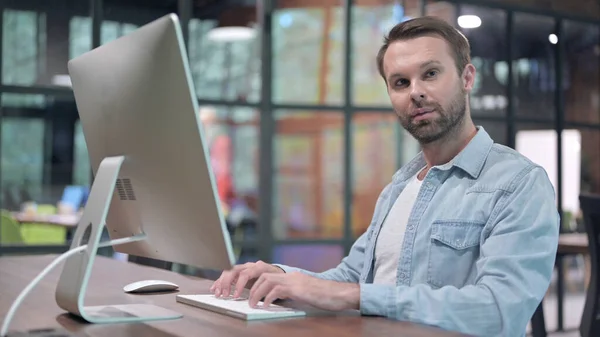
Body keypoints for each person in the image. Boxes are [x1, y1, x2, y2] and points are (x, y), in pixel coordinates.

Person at [209, 16, 559, 336]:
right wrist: (280, 277)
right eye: (400, 82)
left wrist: (354, 296)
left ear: (468, 78)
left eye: (431, 74)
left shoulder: (519, 184)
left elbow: (498, 310)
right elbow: (350, 279)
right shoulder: (400, 186)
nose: (416, 92)